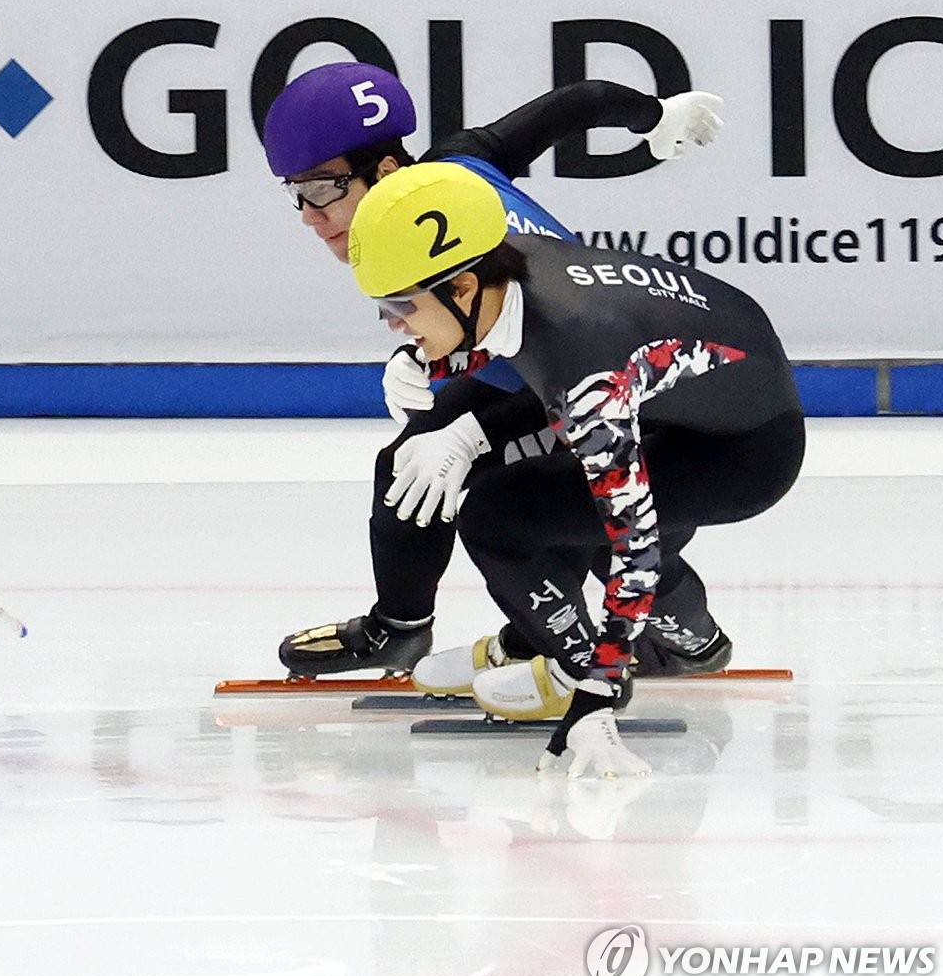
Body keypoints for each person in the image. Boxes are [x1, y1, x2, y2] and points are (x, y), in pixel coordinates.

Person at [261, 61, 725, 685]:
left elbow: (571, 368)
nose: (309, 216)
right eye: (297, 192)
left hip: (627, 398)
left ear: (387, 173)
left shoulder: (481, 240)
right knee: (409, 466)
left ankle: (685, 639)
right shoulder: (451, 168)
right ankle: (398, 630)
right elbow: (575, 103)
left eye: (323, 190)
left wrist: (470, 428)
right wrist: (655, 114)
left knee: (579, 523)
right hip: (542, 376)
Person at [346, 161, 805, 776]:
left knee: (500, 516)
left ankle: (571, 668)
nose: (393, 324)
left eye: (400, 306)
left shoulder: (588, 368)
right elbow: (526, 354)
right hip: (686, 391)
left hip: (740, 455)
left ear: (461, 289)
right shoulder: (510, 261)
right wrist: (435, 364)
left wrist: (598, 698)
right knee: (543, 493)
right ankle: (542, 638)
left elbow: (634, 550)